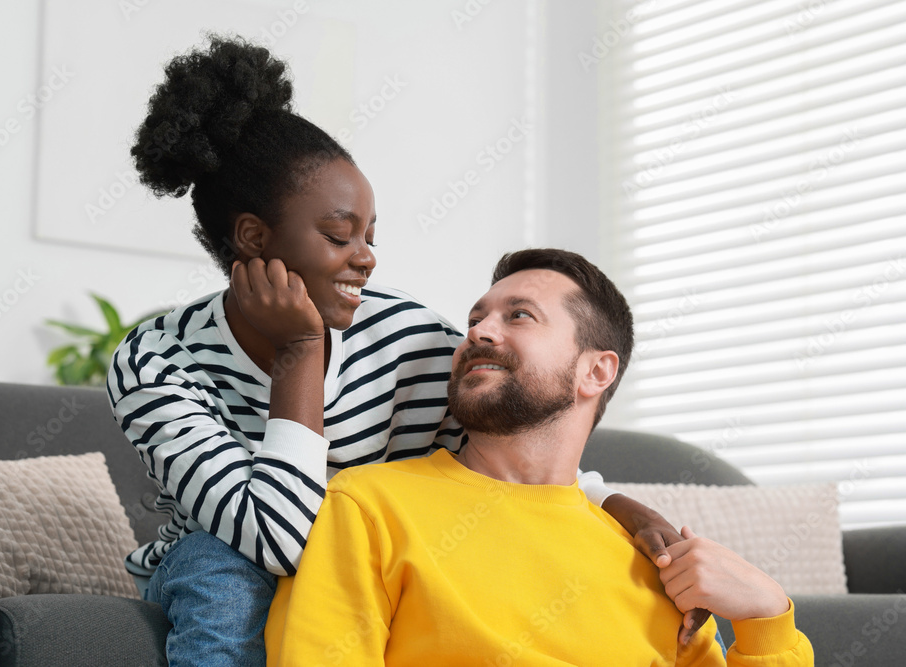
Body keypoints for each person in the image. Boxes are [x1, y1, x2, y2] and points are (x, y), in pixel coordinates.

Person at [108, 37, 710, 667]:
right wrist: (302, 352)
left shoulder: (410, 336)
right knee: (220, 569)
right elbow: (275, 540)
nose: (366, 258)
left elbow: (510, 449)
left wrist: (614, 505)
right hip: (231, 554)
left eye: (370, 237)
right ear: (254, 238)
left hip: (372, 542)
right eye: (340, 237)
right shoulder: (157, 362)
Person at [265, 248, 814, 666]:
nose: (478, 330)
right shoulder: (367, 507)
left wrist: (767, 614)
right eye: (476, 318)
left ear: (596, 371)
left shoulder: (658, 565)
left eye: (519, 316)